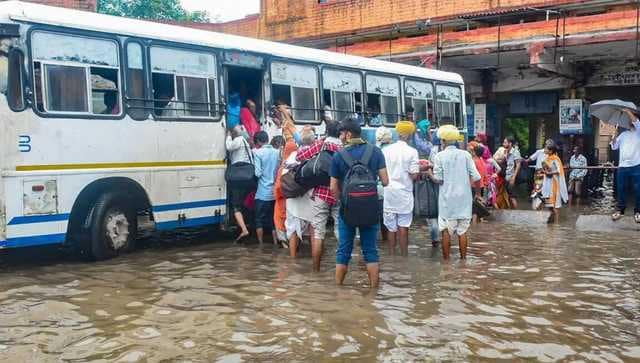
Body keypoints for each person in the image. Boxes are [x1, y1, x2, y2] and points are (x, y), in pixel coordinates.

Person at [330, 118, 389, 287]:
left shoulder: (338, 156)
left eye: (341, 133)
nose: (340, 136)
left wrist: (343, 201)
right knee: (371, 250)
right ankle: (373, 291)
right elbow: (385, 181)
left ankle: (338, 290)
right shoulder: (375, 152)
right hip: (370, 208)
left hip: (347, 209)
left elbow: (333, 187)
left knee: (344, 250)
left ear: (348, 134)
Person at [427, 125, 481, 260]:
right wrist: (473, 191)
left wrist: (429, 173)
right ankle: (463, 261)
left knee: (446, 232)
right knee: (463, 232)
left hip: (447, 201)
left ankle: (446, 263)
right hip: (464, 200)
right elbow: (477, 177)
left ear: (443, 141)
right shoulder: (466, 155)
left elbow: (439, 179)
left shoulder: (439, 156)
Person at [295, 121, 343, 271]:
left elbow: (299, 156)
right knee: (340, 230)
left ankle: (316, 270)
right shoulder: (344, 148)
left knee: (318, 232)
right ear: (341, 133)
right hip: (339, 193)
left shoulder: (321, 145)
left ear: (326, 132)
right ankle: (343, 266)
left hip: (321, 192)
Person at [382, 121, 420, 256]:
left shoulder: (386, 151)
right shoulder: (412, 152)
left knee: (390, 227)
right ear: (410, 135)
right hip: (404, 194)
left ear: (397, 133)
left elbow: (382, 172)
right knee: (404, 226)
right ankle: (404, 256)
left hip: (389, 192)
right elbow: (414, 175)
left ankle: (392, 255)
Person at [610, 109, 640, 223]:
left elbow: (636, 122)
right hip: (623, 166)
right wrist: (613, 138)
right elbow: (614, 147)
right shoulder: (623, 134)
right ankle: (620, 211)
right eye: (629, 120)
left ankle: (638, 211)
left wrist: (627, 111)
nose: (630, 121)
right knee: (621, 189)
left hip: (636, 165)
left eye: (632, 119)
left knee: (638, 189)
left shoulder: (639, 131)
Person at [226, 126, 254, 242]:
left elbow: (228, 147)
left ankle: (244, 229)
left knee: (236, 205)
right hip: (247, 176)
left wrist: (227, 135)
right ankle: (248, 225)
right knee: (244, 202)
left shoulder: (238, 140)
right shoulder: (246, 143)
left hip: (238, 177)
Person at [252, 131, 280, 244]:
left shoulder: (258, 153)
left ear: (258, 141)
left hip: (262, 193)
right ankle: (275, 242)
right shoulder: (277, 152)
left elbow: (257, 173)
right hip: (274, 193)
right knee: (273, 219)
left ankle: (261, 244)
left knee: (258, 219)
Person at [274, 140, 298, 247]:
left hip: (282, 201)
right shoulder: (298, 163)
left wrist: (276, 195)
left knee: (281, 224)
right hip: (294, 201)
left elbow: (279, 186)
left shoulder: (284, 166)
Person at [541, 140, 568, 223]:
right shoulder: (546, 158)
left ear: (551, 151)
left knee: (555, 205)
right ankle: (551, 224)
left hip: (554, 183)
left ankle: (556, 225)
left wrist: (549, 172)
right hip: (547, 183)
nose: (544, 150)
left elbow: (559, 170)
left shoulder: (556, 159)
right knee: (549, 205)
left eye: (546, 149)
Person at [502, 136, 523, 209]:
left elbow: (518, 165)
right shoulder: (506, 152)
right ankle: (512, 212)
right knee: (509, 196)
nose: (503, 144)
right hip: (507, 176)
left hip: (512, 177)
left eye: (505, 142)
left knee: (512, 196)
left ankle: (516, 214)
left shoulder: (515, 152)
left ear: (510, 144)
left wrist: (513, 177)